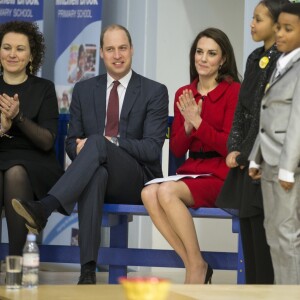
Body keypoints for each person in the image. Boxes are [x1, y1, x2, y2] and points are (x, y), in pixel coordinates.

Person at [12, 24, 169, 284]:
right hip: (98, 174)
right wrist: (87, 147)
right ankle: (88, 271)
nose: (117, 55)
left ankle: (46, 207)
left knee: (97, 142)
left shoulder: (154, 91)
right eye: (110, 49)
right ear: (102, 54)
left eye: (122, 48)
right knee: (95, 173)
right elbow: (72, 144)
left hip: (137, 179)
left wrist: (109, 142)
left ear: (132, 50)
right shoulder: (84, 91)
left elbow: (152, 149)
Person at [141, 28, 240, 284]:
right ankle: (194, 262)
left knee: (167, 192)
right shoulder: (184, 93)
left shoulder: (233, 91)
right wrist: (186, 127)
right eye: (199, 52)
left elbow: (229, 145)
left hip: (222, 174)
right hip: (193, 170)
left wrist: (197, 122)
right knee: (148, 193)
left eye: (211, 53)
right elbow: (175, 149)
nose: (203, 59)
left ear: (223, 59)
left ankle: (195, 266)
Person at [216, 0, 289, 284]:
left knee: (264, 238)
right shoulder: (253, 58)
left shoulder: (286, 62)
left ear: (276, 24)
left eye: (258, 19)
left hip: (267, 161)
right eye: (253, 18)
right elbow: (243, 111)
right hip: (246, 161)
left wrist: (248, 153)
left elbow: (273, 116)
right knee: (248, 230)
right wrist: (234, 147)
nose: (252, 23)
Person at [0, 21, 64, 256]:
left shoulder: (44, 88)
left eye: (20, 49)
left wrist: (18, 117)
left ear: (31, 56)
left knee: (15, 172)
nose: (12, 54)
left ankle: (16, 262)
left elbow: (47, 141)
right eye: (7, 48)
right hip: (2, 158)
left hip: (35, 164)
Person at [248, 2, 300, 284]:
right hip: (269, 161)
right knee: (273, 232)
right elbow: (268, 113)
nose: (279, 34)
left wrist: (287, 168)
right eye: (278, 27)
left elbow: (297, 123)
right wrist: (256, 157)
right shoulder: (282, 64)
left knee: (287, 234)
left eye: (288, 29)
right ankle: (283, 292)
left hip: (286, 166)